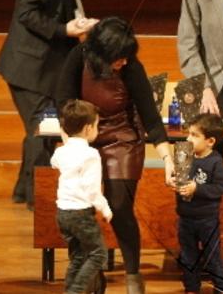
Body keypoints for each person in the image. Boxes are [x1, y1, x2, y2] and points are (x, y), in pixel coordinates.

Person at [56, 17, 175, 293]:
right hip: (83, 136)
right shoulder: (79, 56)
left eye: (126, 57)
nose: (123, 62)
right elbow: (64, 103)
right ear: (102, 53)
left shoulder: (131, 67)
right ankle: (90, 271)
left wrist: (168, 160)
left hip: (121, 140)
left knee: (119, 207)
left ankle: (133, 276)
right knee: (78, 207)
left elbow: (151, 117)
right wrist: (73, 145)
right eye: (118, 58)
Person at [0, 0, 99, 210]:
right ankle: (36, 199)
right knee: (44, 129)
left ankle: (22, 192)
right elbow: (27, 14)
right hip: (29, 68)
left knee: (42, 129)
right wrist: (66, 28)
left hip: (42, 69)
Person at [52, 99, 111, 294]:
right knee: (98, 254)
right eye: (96, 125)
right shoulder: (91, 154)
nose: (97, 129)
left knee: (78, 256)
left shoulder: (61, 151)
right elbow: (92, 189)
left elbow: (54, 162)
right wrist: (105, 208)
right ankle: (75, 291)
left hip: (62, 214)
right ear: (88, 128)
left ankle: (70, 290)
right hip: (81, 214)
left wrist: (67, 141)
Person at [174, 113, 223, 293]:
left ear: (210, 141)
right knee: (188, 257)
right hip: (185, 219)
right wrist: (175, 183)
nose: (188, 139)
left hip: (207, 220)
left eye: (194, 135)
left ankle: (221, 288)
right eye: (188, 134)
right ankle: (191, 288)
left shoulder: (215, 162)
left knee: (213, 256)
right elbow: (180, 183)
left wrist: (196, 188)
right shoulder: (185, 157)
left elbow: (218, 189)